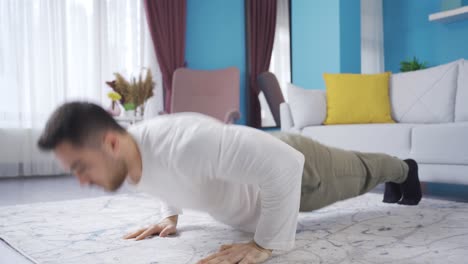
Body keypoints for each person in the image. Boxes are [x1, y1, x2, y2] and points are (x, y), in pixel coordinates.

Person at [37, 102, 422, 264]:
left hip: (300, 171)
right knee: (361, 170)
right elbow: (160, 175)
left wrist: (264, 244)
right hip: (256, 172)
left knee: (363, 171)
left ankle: (405, 169)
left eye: (80, 166)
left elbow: (286, 165)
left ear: (110, 143)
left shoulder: (185, 143)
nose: (81, 181)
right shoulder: (128, 157)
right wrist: (170, 214)